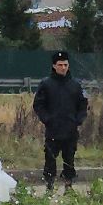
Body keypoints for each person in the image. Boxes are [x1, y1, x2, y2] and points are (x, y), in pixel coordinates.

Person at [33, 49, 88, 191]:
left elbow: (83, 104)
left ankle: (68, 186)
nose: (63, 68)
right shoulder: (46, 84)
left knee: (69, 158)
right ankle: (49, 186)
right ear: (54, 66)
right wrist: (47, 119)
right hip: (53, 129)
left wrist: (78, 120)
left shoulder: (75, 85)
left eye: (65, 65)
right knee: (50, 159)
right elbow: (38, 104)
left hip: (70, 129)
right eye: (60, 65)